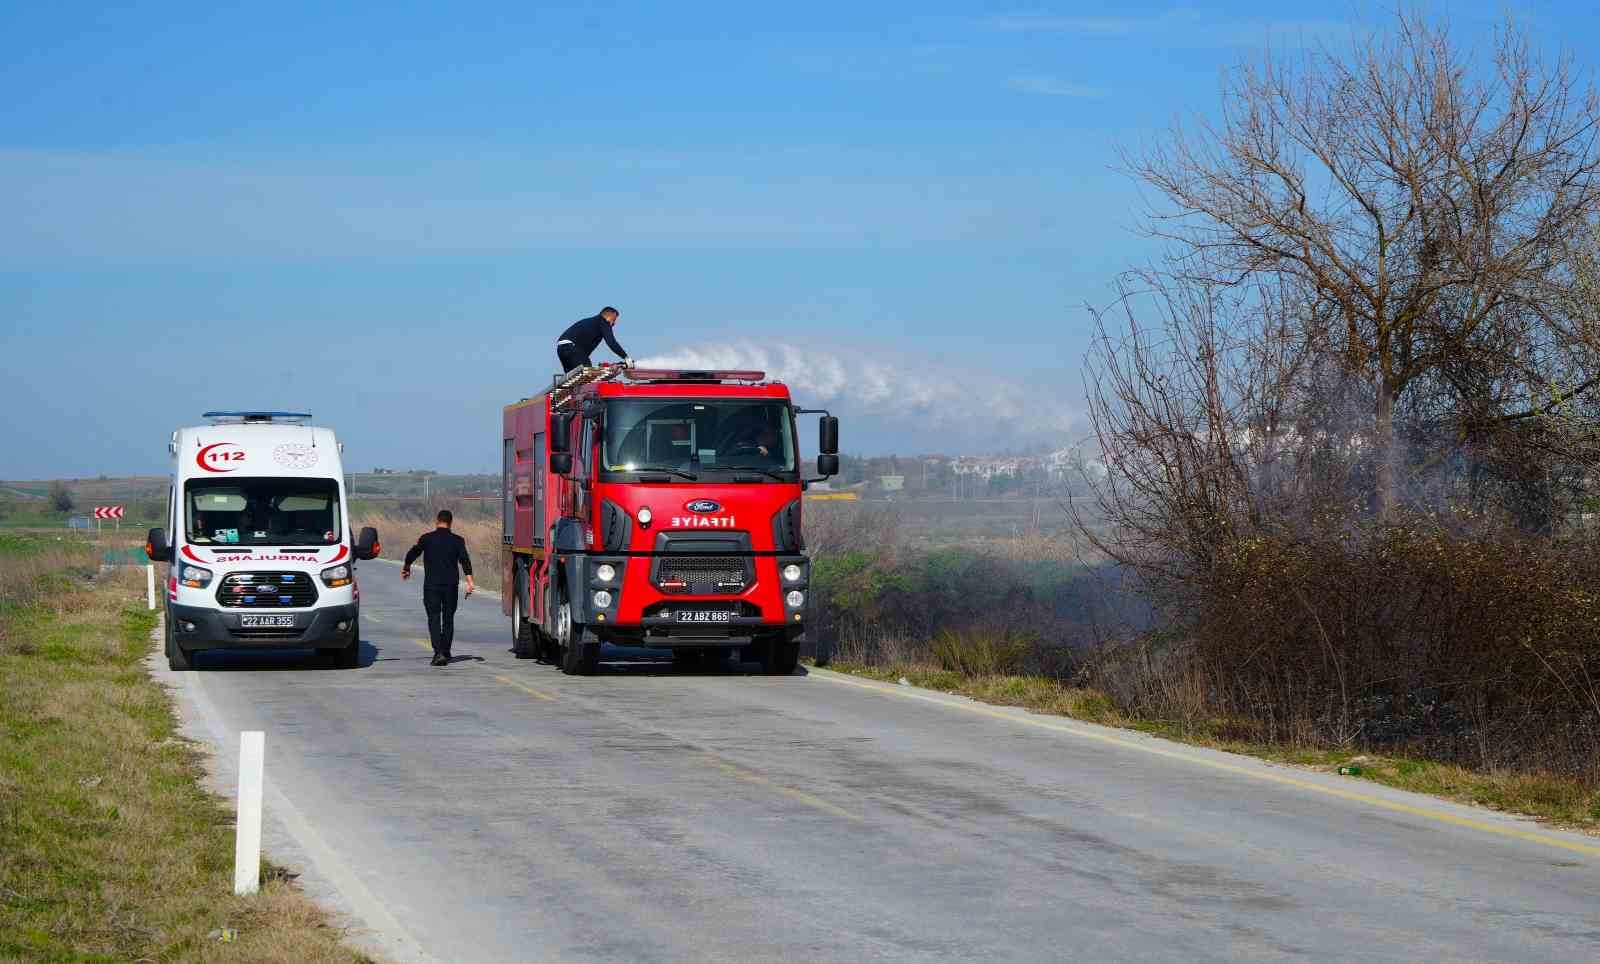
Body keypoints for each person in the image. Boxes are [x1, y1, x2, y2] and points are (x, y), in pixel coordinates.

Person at [402, 510, 475, 666]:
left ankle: (439, 652)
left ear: (437, 521)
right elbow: (465, 560)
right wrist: (470, 581)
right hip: (451, 585)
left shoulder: (426, 539)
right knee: (448, 619)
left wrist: (407, 566)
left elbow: (413, 552)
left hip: (432, 586)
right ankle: (446, 650)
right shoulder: (458, 540)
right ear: (451, 522)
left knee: (434, 618)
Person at [556, 306, 630, 373]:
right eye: (614, 319)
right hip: (571, 348)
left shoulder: (592, 322)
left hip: (561, 349)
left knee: (573, 380)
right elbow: (612, 343)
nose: (614, 323)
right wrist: (626, 357)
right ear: (609, 317)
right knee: (588, 374)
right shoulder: (603, 322)